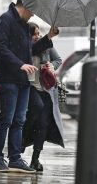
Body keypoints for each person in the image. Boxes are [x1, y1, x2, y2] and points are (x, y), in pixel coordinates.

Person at [0, 0, 58, 173]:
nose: (34, 14)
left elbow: (32, 50)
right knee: (6, 119)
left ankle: (15, 158)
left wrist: (48, 37)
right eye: (33, 9)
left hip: (23, 81)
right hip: (8, 79)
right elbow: (0, 47)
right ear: (26, 5)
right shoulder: (5, 20)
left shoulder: (22, 24)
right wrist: (19, 64)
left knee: (19, 121)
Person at [22, 22, 65, 172]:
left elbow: (58, 60)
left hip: (46, 90)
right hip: (30, 89)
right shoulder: (25, 47)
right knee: (30, 119)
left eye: (38, 33)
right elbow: (33, 49)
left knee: (43, 125)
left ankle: (35, 159)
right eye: (34, 34)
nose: (37, 36)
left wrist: (52, 65)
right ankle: (18, 150)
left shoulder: (47, 46)